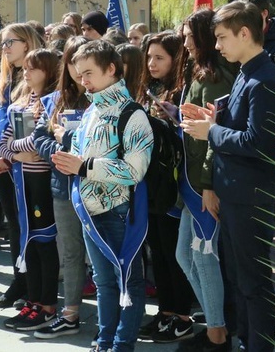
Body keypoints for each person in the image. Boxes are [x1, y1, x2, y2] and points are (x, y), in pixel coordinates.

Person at [181, 0, 275, 352]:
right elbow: (237, 126)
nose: (218, 46)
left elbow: (259, 142)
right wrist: (214, 120)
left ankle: (259, 346)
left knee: (253, 282)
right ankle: (245, 340)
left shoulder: (265, 78)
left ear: (245, 33)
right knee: (238, 278)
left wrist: (210, 131)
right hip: (235, 191)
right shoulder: (245, 71)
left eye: (223, 37)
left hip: (250, 195)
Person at [53, 40, 154, 352]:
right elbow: (84, 158)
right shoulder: (90, 112)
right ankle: (103, 341)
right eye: (79, 74)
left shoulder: (133, 114)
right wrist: (70, 160)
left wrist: (84, 166)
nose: (83, 81)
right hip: (90, 211)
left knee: (127, 281)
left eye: (88, 73)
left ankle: (121, 345)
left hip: (119, 210)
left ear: (111, 70)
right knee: (103, 282)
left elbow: (134, 170)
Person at [175, 8, 235, 352]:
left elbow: (217, 133)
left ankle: (217, 335)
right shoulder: (199, 71)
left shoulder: (217, 76)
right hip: (191, 177)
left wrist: (210, 185)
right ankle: (217, 323)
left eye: (188, 35)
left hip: (203, 181)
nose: (184, 41)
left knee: (203, 255)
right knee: (186, 256)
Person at [137, 32, 196, 343]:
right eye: (149, 57)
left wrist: (170, 119)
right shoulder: (149, 90)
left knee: (175, 253)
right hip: (151, 184)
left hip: (173, 187)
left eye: (159, 57)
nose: (152, 63)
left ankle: (183, 314)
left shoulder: (181, 92)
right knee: (157, 251)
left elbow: (185, 140)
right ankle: (165, 311)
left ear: (175, 59)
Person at [31, 36, 90, 339]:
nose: (80, 70)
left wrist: (67, 140)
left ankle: (112, 314)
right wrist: (55, 148)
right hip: (63, 186)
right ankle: (71, 312)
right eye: (72, 61)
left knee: (104, 253)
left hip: (98, 188)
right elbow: (38, 137)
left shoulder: (102, 97)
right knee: (70, 251)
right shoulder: (55, 100)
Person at [0, 24, 44, 309]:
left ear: (28, 43)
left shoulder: (37, 75)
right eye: (2, 43)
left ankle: (31, 284)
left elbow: (32, 127)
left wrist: (8, 157)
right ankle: (20, 280)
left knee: (27, 225)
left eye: (10, 42)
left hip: (24, 164)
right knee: (14, 222)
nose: (4, 48)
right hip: (2, 163)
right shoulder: (5, 78)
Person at [0, 49, 61, 332]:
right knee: (29, 242)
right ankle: (33, 300)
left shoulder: (53, 103)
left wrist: (18, 151)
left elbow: (40, 143)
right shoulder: (21, 103)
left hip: (43, 184)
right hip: (21, 182)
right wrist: (17, 153)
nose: (27, 73)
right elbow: (4, 144)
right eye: (26, 68)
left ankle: (48, 304)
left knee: (44, 241)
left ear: (49, 71)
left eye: (34, 68)